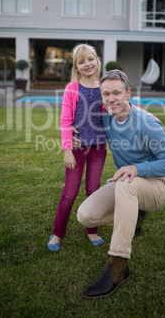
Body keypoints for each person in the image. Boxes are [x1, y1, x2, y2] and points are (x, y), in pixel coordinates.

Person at [75, 69, 165, 298]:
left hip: (157, 185)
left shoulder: (147, 123)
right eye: (106, 94)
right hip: (127, 181)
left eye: (117, 92)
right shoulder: (106, 118)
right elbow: (80, 124)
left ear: (128, 93)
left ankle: (118, 267)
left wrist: (138, 168)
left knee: (126, 184)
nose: (112, 98)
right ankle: (134, 216)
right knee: (85, 215)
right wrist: (69, 134)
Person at [48, 44, 108, 252]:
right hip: (77, 148)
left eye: (90, 59)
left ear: (97, 61)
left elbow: (116, 112)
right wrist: (66, 149)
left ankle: (92, 230)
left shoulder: (104, 87)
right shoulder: (72, 89)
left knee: (93, 190)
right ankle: (57, 233)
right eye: (81, 62)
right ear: (77, 67)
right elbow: (65, 120)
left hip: (99, 148)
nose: (87, 64)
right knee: (69, 193)